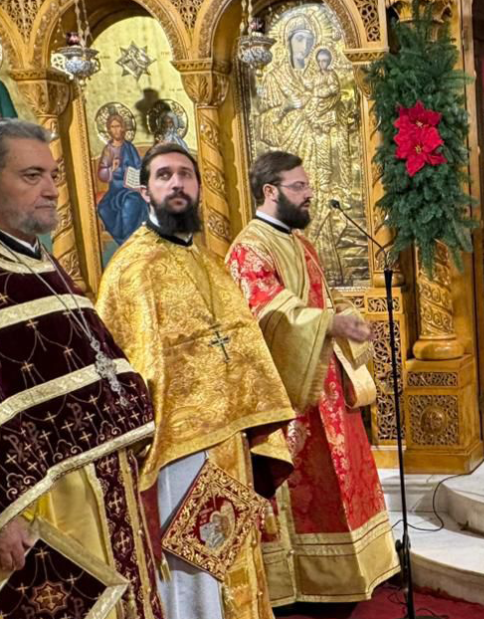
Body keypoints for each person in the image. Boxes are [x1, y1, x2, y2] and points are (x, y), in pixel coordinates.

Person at [96, 142, 297, 619]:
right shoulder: (131, 270)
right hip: (174, 450)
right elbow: (118, 368)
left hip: (229, 440)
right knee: (190, 568)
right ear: (145, 190)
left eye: (185, 174)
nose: (177, 183)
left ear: (199, 187)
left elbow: (241, 347)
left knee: (231, 555)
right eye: (164, 175)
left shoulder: (209, 263)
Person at [0, 119, 163, 618]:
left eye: (52, 176)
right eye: (32, 176)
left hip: (108, 496)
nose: (52, 190)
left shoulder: (40, 262)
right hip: (46, 511)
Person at [226, 151, 398, 607]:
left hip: (327, 383)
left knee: (345, 479)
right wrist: (328, 323)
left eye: (307, 186)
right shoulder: (249, 248)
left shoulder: (300, 242)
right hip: (291, 394)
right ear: (270, 191)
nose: (309, 194)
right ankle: (304, 582)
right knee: (305, 490)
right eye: (299, 186)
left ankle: (356, 570)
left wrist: (346, 315)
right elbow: (266, 314)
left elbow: (325, 296)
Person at [96, 113, 147, 245]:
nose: (116, 130)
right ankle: (124, 242)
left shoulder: (129, 147)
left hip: (132, 188)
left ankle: (130, 240)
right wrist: (111, 169)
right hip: (116, 190)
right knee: (104, 209)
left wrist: (138, 175)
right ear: (109, 130)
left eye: (118, 126)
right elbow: (101, 173)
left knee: (131, 203)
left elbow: (138, 166)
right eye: (113, 127)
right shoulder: (108, 150)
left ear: (123, 128)